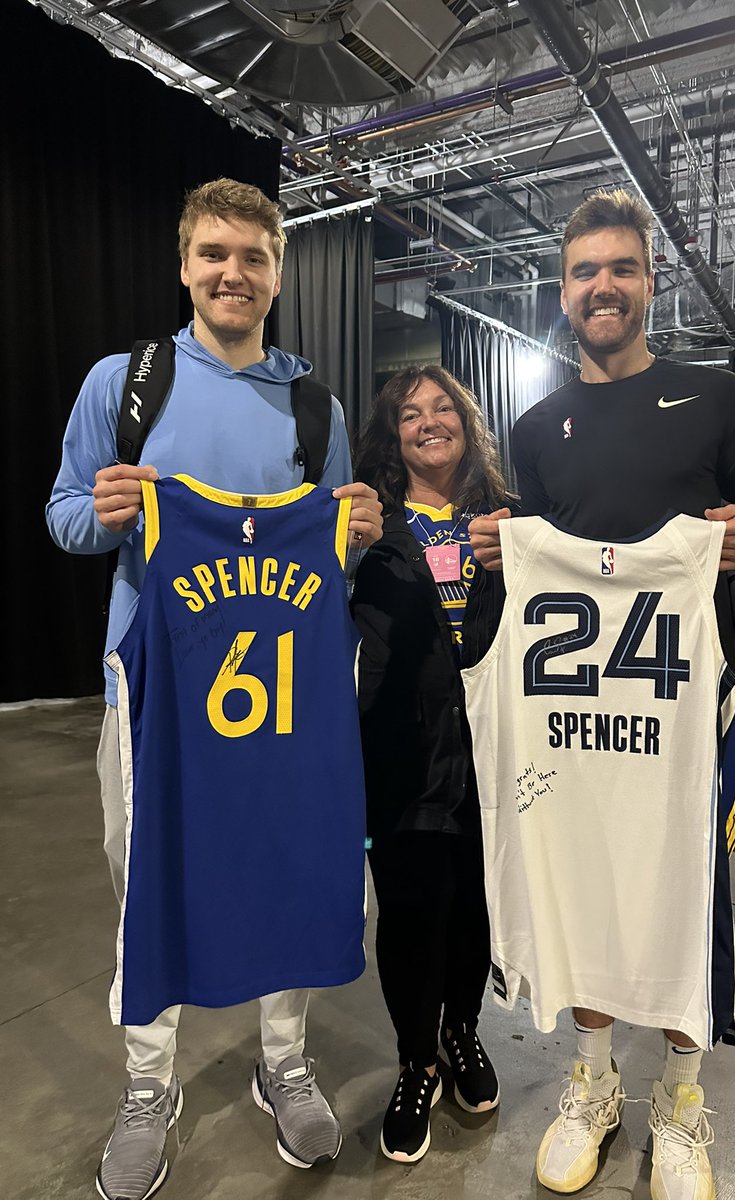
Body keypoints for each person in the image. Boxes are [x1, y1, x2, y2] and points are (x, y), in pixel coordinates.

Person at [46, 177, 383, 1200]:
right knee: (142, 872)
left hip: (278, 699)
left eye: (253, 257)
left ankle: (284, 1060)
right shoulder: (126, 384)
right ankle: (150, 1085)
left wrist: (359, 537)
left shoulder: (315, 407)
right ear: (185, 264)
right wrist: (105, 512)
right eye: (214, 254)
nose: (233, 274)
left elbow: (330, 565)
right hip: (153, 694)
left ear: (278, 274)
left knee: (283, 864)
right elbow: (64, 514)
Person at [468, 187, 735, 1199]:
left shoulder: (713, 398)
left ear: (651, 282)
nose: (602, 286)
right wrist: (500, 551)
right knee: (589, 884)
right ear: (562, 292)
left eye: (621, 268)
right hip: (573, 711)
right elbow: (536, 555)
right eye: (584, 273)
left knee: (686, 892)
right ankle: (594, 1082)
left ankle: (682, 1103)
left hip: (685, 706)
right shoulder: (537, 427)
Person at [350, 366, 507, 1162]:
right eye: (410, 414)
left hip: (495, 753)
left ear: (467, 423)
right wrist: (346, 553)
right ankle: (417, 1061)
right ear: (393, 434)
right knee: (411, 911)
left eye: (444, 407)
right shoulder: (367, 524)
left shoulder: (506, 520)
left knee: (477, 905)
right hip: (399, 750)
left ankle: (463, 1031)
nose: (429, 422)